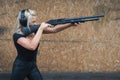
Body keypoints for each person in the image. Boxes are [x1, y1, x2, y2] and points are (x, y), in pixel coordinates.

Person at [11, 9, 79, 80]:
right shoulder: (17, 35)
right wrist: (40, 29)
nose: (35, 24)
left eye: (35, 21)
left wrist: (70, 24)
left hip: (32, 65)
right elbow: (32, 46)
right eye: (33, 22)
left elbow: (54, 29)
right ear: (25, 22)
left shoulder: (34, 30)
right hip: (20, 66)